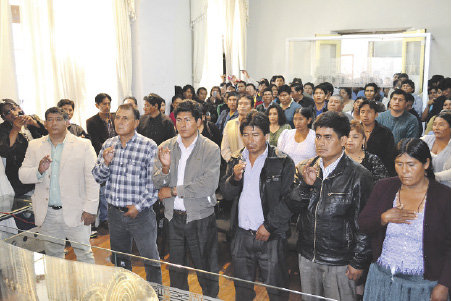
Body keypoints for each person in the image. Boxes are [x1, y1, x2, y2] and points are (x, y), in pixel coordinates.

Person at [287, 111, 374, 301]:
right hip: (307, 255)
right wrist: (305, 186)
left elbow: (365, 226)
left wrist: (358, 262)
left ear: (343, 140)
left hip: (340, 261)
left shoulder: (359, 176)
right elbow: (292, 206)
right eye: (318, 136)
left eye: (328, 137)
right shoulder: (308, 167)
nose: (321, 143)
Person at [358, 138, 450, 301]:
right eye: (399, 164)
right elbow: (364, 224)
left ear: (426, 163)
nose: (404, 171)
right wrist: (383, 218)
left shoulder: (443, 196)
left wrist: (444, 284)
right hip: (382, 279)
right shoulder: (384, 187)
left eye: (411, 164)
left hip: (422, 285)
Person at [220, 111, 295, 301]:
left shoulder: (282, 161)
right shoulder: (236, 158)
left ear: (266, 136)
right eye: (245, 134)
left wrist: (269, 226)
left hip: (271, 236)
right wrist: (235, 179)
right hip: (242, 235)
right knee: (243, 290)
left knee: (276, 290)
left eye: (255, 135)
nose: (249, 140)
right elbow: (226, 194)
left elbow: (290, 201)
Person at [153, 100, 220, 297]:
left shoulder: (210, 148)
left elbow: (208, 185)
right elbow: (156, 181)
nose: (182, 125)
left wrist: (174, 190)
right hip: (173, 218)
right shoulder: (166, 147)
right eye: (179, 120)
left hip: (200, 218)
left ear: (199, 121)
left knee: (206, 270)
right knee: (176, 272)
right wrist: (165, 168)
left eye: (188, 120)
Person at [91, 103, 162, 284]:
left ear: (136, 122)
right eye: (117, 117)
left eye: (125, 118)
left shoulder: (148, 146)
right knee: (120, 260)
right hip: (115, 214)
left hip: (141, 214)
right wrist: (106, 162)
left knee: (150, 260)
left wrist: (138, 207)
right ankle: (125, 292)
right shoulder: (108, 144)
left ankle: (156, 296)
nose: (119, 122)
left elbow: (154, 185)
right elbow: (98, 177)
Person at [18, 107, 99, 262]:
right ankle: (60, 286)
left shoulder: (83, 145)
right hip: (47, 213)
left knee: (84, 254)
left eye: (58, 119)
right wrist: (39, 170)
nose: (53, 123)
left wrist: (91, 209)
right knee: (53, 256)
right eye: (49, 119)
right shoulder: (35, 145)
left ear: (67, 122)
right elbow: (22, 175)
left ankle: (90, 286)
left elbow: (93, 179)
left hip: (77, 211)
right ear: (45, 123)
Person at [0, 99, 47, 196]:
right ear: (3, 117)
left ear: (19, 108)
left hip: (41, 169)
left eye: (13, 108)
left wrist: (34, 123)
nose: (13, 113)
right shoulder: (2, 129)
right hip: (20, 176)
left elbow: (48, 133)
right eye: (7, 113)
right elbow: (5, 150)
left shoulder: (30, 120)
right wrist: (15, 129)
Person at [86, 93, 116, 235]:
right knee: (103, 191)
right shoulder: (91, 121)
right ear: (97, 105)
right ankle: (105, 219)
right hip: (103, 157)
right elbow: (95, 142)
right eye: (103, 104)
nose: (107, 106)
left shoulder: (115, 118)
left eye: (108, 103)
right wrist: (105, 155)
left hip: (117, 157)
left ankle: (113, 217)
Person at [359, 100, 396, 176]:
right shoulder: (353, 131)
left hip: (378, 173)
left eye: (369, 112)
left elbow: (390, 158)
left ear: (376, 114)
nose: (365, 115)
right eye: (362, 112)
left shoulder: (385, 133)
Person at [421, 111, 450, 187]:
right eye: (434, 124)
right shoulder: (425, 140)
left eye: (441, 125)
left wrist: (434, 176)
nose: (436, 128)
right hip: (424, 184)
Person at [221, 95, 253, 162]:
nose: (242, 106)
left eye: (246, 104)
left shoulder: (256, 124)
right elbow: (224, 148)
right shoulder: (229, 124)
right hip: (233, 163)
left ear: (252, 107)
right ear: (237, 107)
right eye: (240, 104)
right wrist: (233, 161)